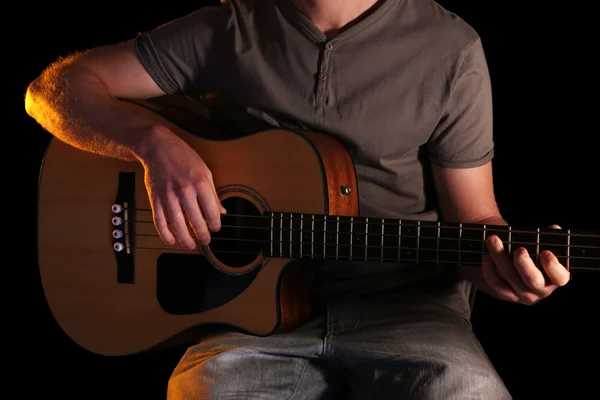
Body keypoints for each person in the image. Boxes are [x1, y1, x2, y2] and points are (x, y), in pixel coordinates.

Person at [25, 0, 571, 399]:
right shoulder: (230, 26)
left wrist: (506, 272)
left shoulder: (452, 49)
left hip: (411, 313)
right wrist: (153, 144)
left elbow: (475, 220)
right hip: (243, 326)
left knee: (470, 392)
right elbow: (51, 90)